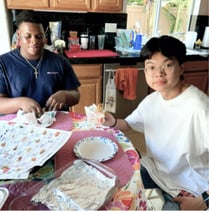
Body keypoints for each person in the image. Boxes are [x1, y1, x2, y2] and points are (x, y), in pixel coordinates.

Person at [103, 35, 209, 210]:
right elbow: (128, 124)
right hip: (157, 171)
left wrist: (203, 200)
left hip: (191, 189)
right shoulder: (152, 101)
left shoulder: (200, 107)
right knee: (113, 174)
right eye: (151, 67)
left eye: (167, 65)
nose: (158, 73)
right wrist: (112, 121)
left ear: (182, 68)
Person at [0, 10, 80, 117]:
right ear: (18, 35)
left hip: (56, 125)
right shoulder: (3, 63)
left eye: (38, 36)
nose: (34, 41)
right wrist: (20, 103)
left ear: (44, 36)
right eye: (28, 36)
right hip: (18, 127)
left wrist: (65, 95)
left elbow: (76, 95)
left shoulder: (60, 61)